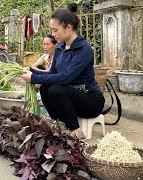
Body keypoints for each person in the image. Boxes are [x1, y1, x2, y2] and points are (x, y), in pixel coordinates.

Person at [20, 5, 105, 139]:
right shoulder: (60, 47)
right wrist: (31, 71)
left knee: (56, 89)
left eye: (55, 30)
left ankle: (75, 130)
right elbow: (52, 73)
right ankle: (58, 123)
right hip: (70, 98)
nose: (53, 35)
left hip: (91, 101)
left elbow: (66, 77)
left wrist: (34, 78)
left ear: (68, 27)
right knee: (46, 87)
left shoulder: (84, 50)